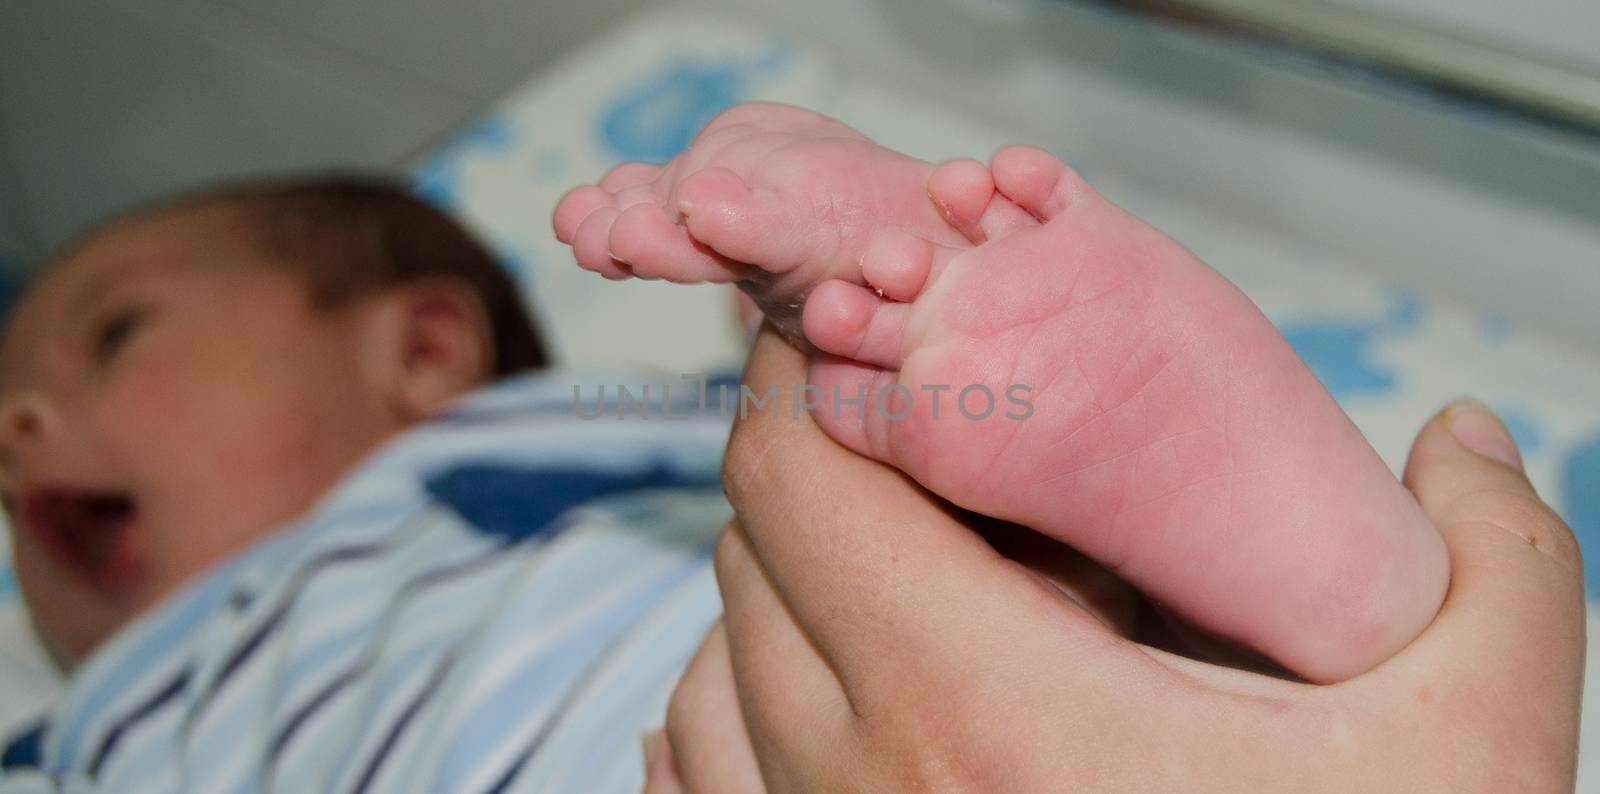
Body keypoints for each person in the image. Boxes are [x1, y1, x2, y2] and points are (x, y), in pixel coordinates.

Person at [556, 102, 1444, 683]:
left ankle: (892, 312)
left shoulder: (511, 436)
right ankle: (1333, 588)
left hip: (624, 714)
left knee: (865, 439)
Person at [0, 177, 733, 791]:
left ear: (424, 353)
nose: (13, 428)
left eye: (115, 336)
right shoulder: (73, 751)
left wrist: (799, 318)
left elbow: (769, 444)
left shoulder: (481, 454)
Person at [650, 325, 1585, 792]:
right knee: (1021, 574)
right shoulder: (565, 425)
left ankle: (900, 377)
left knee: (1013, 565)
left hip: (683, 694)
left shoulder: (600, 419)